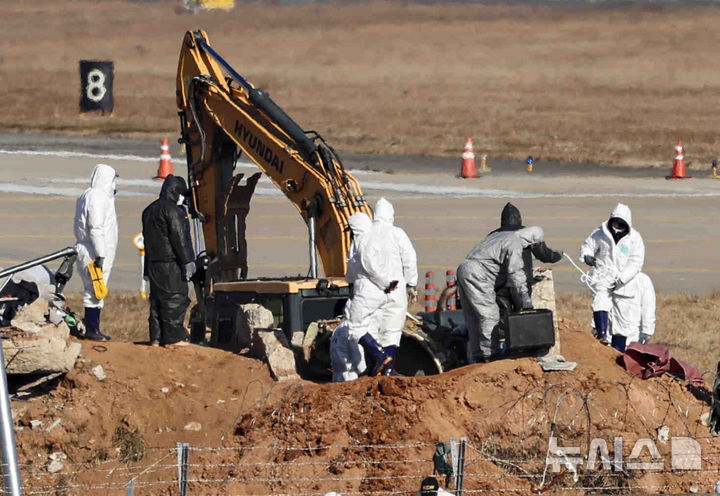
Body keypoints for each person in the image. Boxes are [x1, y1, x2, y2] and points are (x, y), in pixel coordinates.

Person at [457, 226, 544, 363]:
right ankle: (490, 354)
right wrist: (524, 294)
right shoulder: (514, 242)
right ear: (532, 243)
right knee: (490, 315)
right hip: (478, 273)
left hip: (464, 268)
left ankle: (477, 355)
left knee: (473, 316)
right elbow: (515, 270)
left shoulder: (502, 236)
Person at [142, 175, 196, 347]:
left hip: (153, 263)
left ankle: (156, 337)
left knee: (157, 301)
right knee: (174, 299)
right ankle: (173, 338)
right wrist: (188, 260)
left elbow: (147, 240)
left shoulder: (148, 210)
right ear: (176, 192)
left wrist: (146, 269)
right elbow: (180, 238)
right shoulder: (173, 211)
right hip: (170, 264)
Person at [580, 203, 645, 346]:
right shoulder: (600, 233)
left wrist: (622, 279)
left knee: (622, 323)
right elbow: (588, 245)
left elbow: (636, 262)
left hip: (624, 284)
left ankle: (618, 352)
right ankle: (601, 335)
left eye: (621, 225)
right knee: (600, 301)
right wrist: (587, 256)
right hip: (603, 275)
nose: (617, 227)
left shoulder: (635, 239)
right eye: (615, 223)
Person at [343, 212, 398, 376]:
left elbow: (370, 267)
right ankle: (379, 367)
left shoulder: (363, 241)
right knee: (370, 328)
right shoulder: (376, 241)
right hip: (377, 291)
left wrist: (385, 283)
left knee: (354, 328)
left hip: (367, 289)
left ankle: (380, 357)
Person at [371, 198, 418, 375]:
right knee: (391, 330)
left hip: (373, 290)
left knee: (372, 328)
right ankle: (388, 368)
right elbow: (409, 259)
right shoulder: (397, 233)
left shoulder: (366, 233)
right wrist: (411, 284)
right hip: (397, 289)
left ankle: (376, 363)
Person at [73, 163, 118, 341]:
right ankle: (92, 329)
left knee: (97, 289)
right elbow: (95, 227)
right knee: (94, 290)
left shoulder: (91, 195)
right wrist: (100, 254)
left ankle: (93, 326)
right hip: (94, 251)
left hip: (94, 249)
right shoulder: (96, 198)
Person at [490, 202, 563, 299]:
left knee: (502, 312)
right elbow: (544, 254)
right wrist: (558, 255)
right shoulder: (527, 234)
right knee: (522, 312)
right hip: (522, 283)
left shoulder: (493, 236)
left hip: (499, 284)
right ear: (519, 218)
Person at [608, 271, 656, 352]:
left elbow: (648, 307)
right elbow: (601, 303)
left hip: (632, 335)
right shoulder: (610, 277)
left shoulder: (643, 280)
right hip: (609, 334)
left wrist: (647, 330)